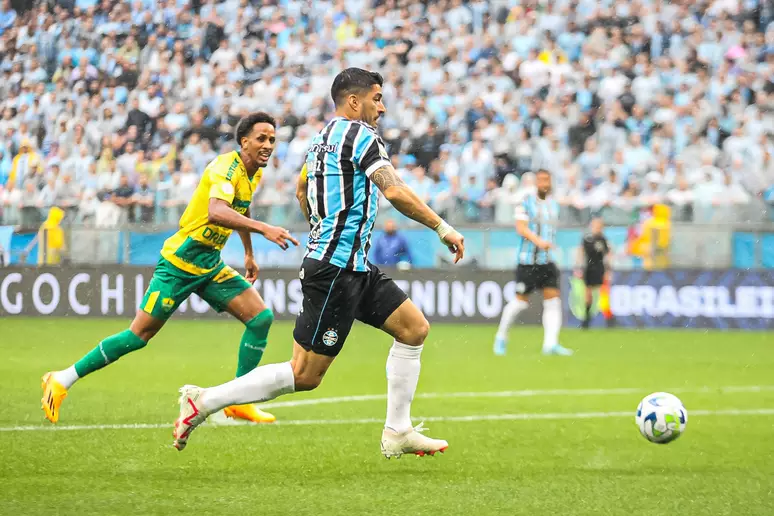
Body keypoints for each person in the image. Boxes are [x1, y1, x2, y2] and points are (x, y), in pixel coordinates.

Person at [171, 68, 465, 458]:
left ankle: (398, 430)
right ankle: (203, 402)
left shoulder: (322, 138)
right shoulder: (361, 136)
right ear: (354, 101)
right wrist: (442, 227)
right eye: (377, 98)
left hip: (352, 265)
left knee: (413, 329)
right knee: (304, 375)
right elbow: (393, 189)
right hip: (334, 270)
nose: (382, 106)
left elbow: (301, 188)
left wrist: (321, 227)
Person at [41, 113, 298, 425]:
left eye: (272, 139)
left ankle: (237, 401)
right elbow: (217, 212)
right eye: (261, 138)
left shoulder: (253, 173)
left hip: (209, 262)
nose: (268, 145)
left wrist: (248, 253)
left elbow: (238, 209)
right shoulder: (225, 167)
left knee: (260, 318)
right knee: (138, 335)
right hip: (180, 262)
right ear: (244, 142)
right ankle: (62, 379)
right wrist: (263, 229)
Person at [493, 169, 572, 357]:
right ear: (536, 182)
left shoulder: (554, 204)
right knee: (520, 303)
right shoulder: (525, 201)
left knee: (553, 302)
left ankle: (550, 344)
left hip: (548, 261)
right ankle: (501, 336)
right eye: (541, 180)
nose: (545, 183)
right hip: (528, 261)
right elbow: (521, 228)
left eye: (547, 180)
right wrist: (539, 242)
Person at [574, 217, 611, 329]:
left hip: (600, 268)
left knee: (603, 292)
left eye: (599, 226)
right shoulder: (587, 239)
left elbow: (608, 255)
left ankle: (608, 318)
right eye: (595, 225)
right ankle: (586, 319)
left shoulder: (603, 239)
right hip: (589, 267)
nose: (597, 228)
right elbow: (580, 252)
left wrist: (608, 270)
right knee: (588, 293)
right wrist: (578, 268)